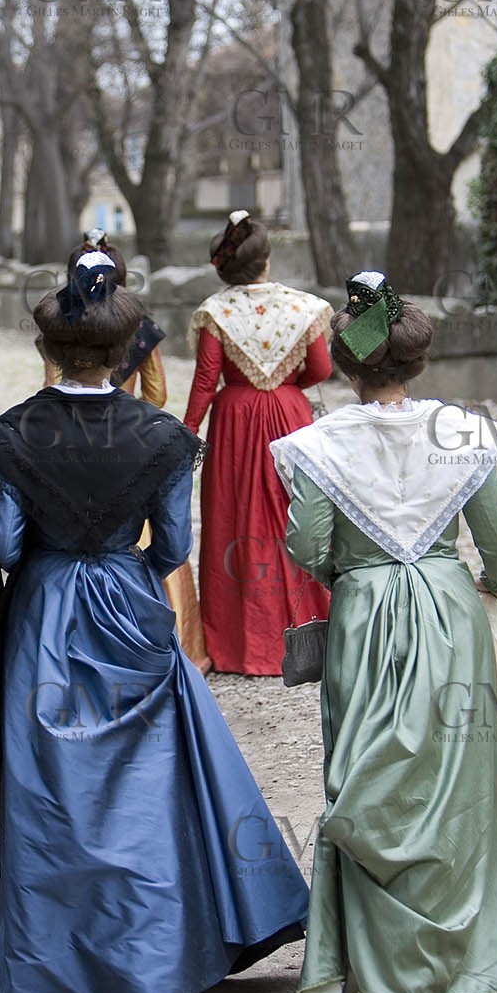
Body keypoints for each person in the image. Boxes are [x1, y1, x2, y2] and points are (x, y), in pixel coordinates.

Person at [0, 253, 310, 993]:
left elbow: (8, 548)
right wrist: (127, 564)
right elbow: (174, 549)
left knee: (52, 788)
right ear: (127, 355)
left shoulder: (14, 435)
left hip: (48, 612)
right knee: (145, 783)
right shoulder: (162, 437)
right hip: (128, 599)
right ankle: (157, 957)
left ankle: (51, 971)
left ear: (46, 351)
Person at [269, 271, 497, 993]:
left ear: (346, 365)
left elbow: (306, 545)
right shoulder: (459, 432)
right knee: (455, 773)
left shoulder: (318, 448)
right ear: (416, 361)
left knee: (363, 766)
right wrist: (493, 586)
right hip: (448, 608)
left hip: (363, 610)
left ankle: (365, 953)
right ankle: (463, 939)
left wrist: (353, 575)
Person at [40, 230, 210, 671]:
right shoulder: (142, 329)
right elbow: (157, 393)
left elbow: (48, 389)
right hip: (129, 441)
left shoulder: (61, 325)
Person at [184, 211, 332, 676]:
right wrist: (287, 385)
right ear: (266, 259)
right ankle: (311, 630)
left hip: (235, 421)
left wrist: (186, 432)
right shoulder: (303, 308)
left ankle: (242, 641)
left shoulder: (215, 313)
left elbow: (206, 381)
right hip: (290, 415)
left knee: (236, 517)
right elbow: (322, 370)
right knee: (297, 513)